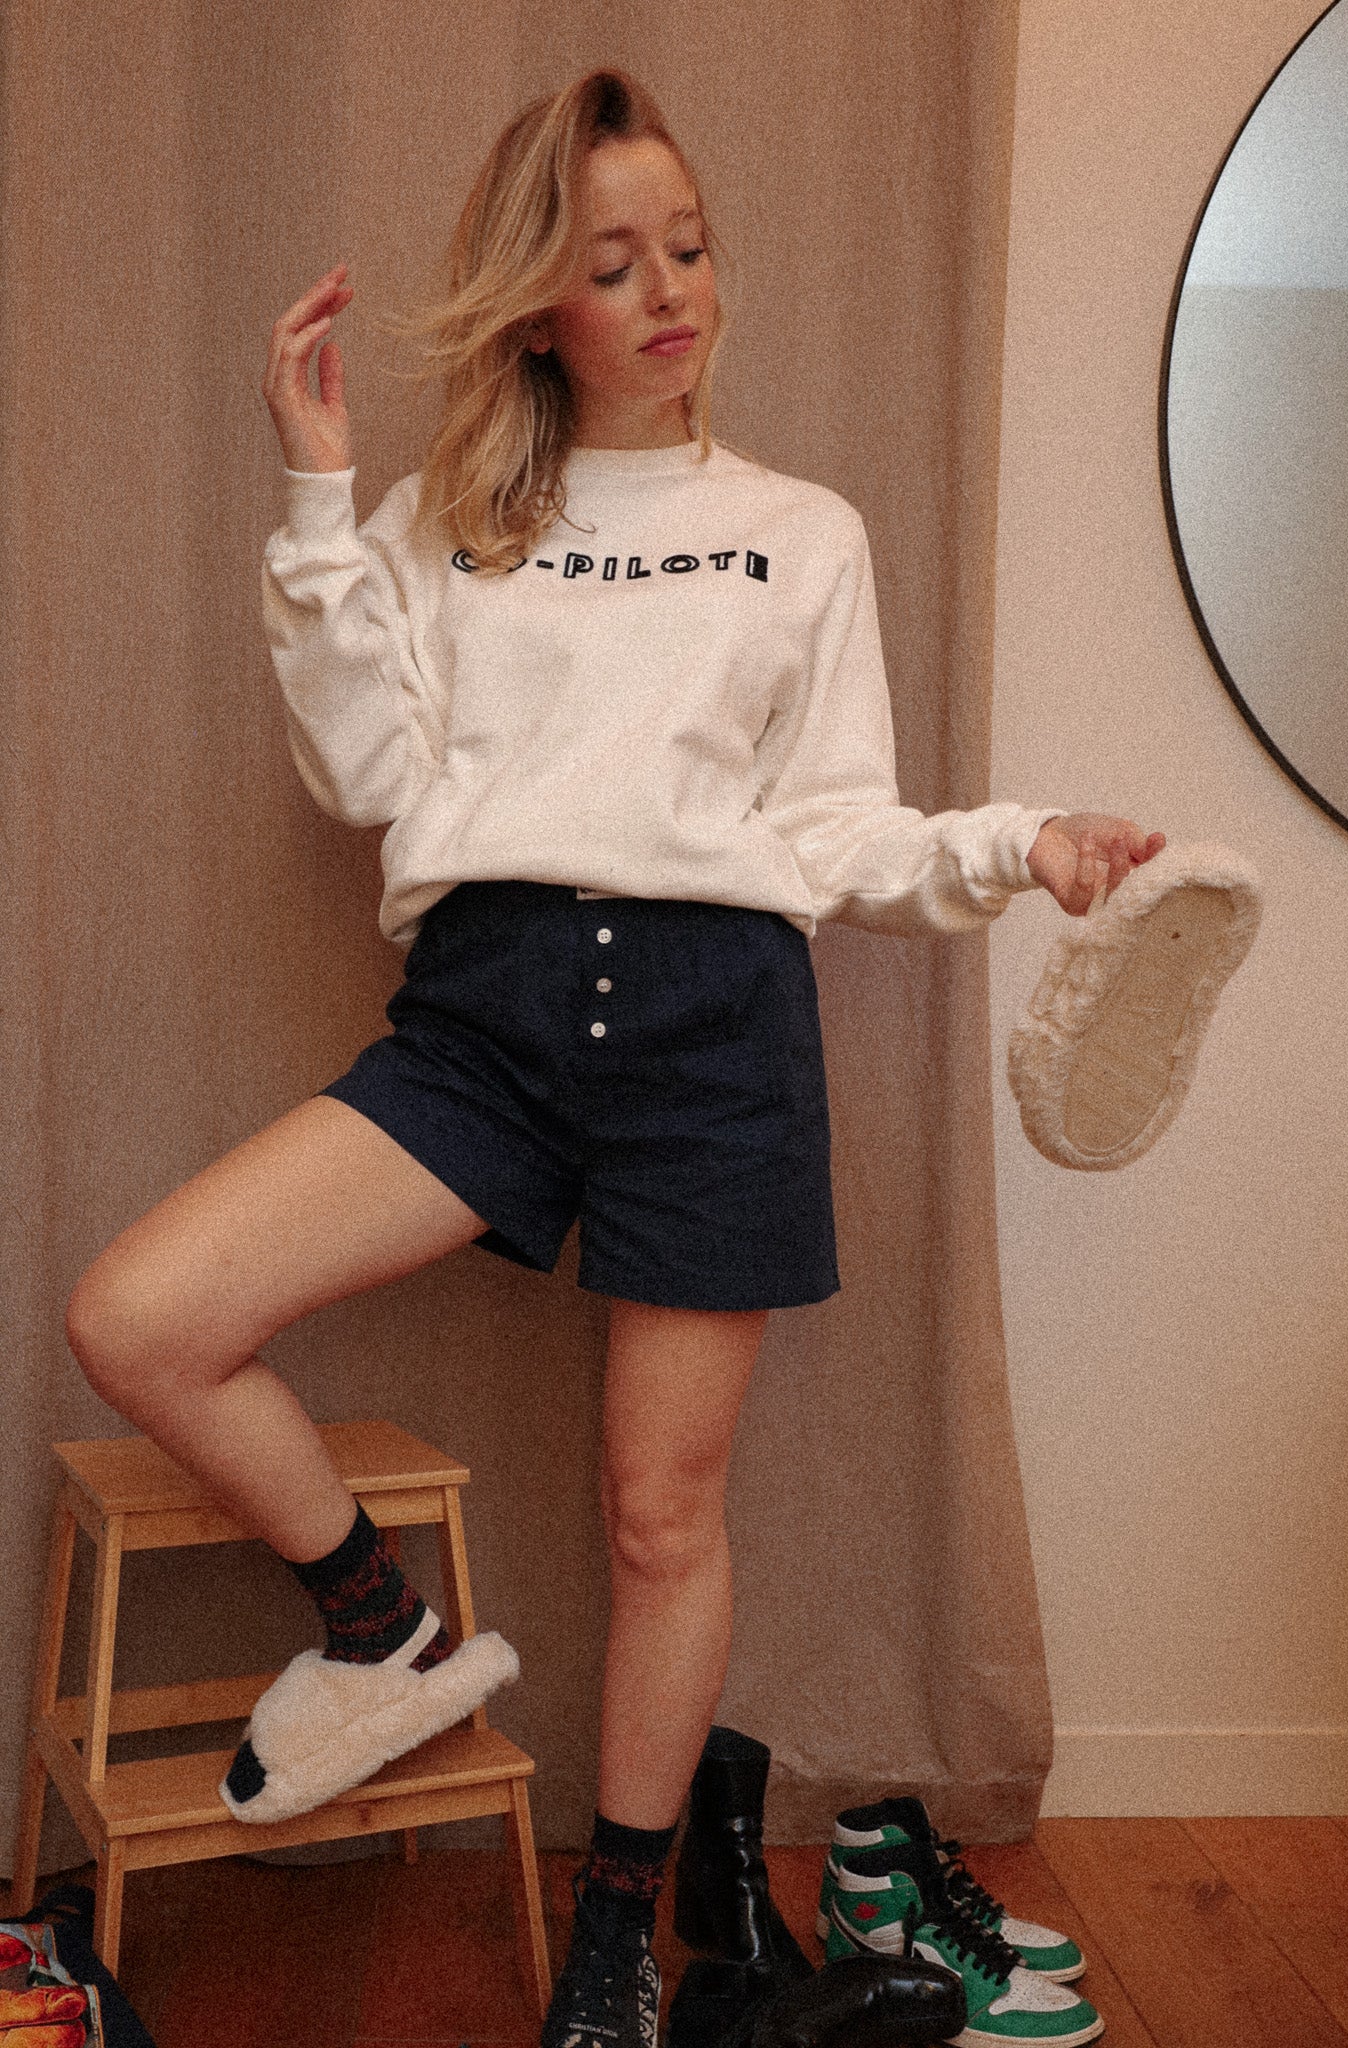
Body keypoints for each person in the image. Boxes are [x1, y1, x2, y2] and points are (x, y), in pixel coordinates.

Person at [65, 68, 1162, 2048]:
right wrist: (317, 491)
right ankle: (384, 1632)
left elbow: (833, 832)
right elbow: (363, 772)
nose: (669, 293)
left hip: (712, 1031)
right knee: (142, 1316)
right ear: (536, 306)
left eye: (689, 248)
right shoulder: (447, 519)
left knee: (660, 1515)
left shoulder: (798, 534)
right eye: (612, 263)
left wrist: (1026, 845)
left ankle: (611, 1959)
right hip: (484, 1016)